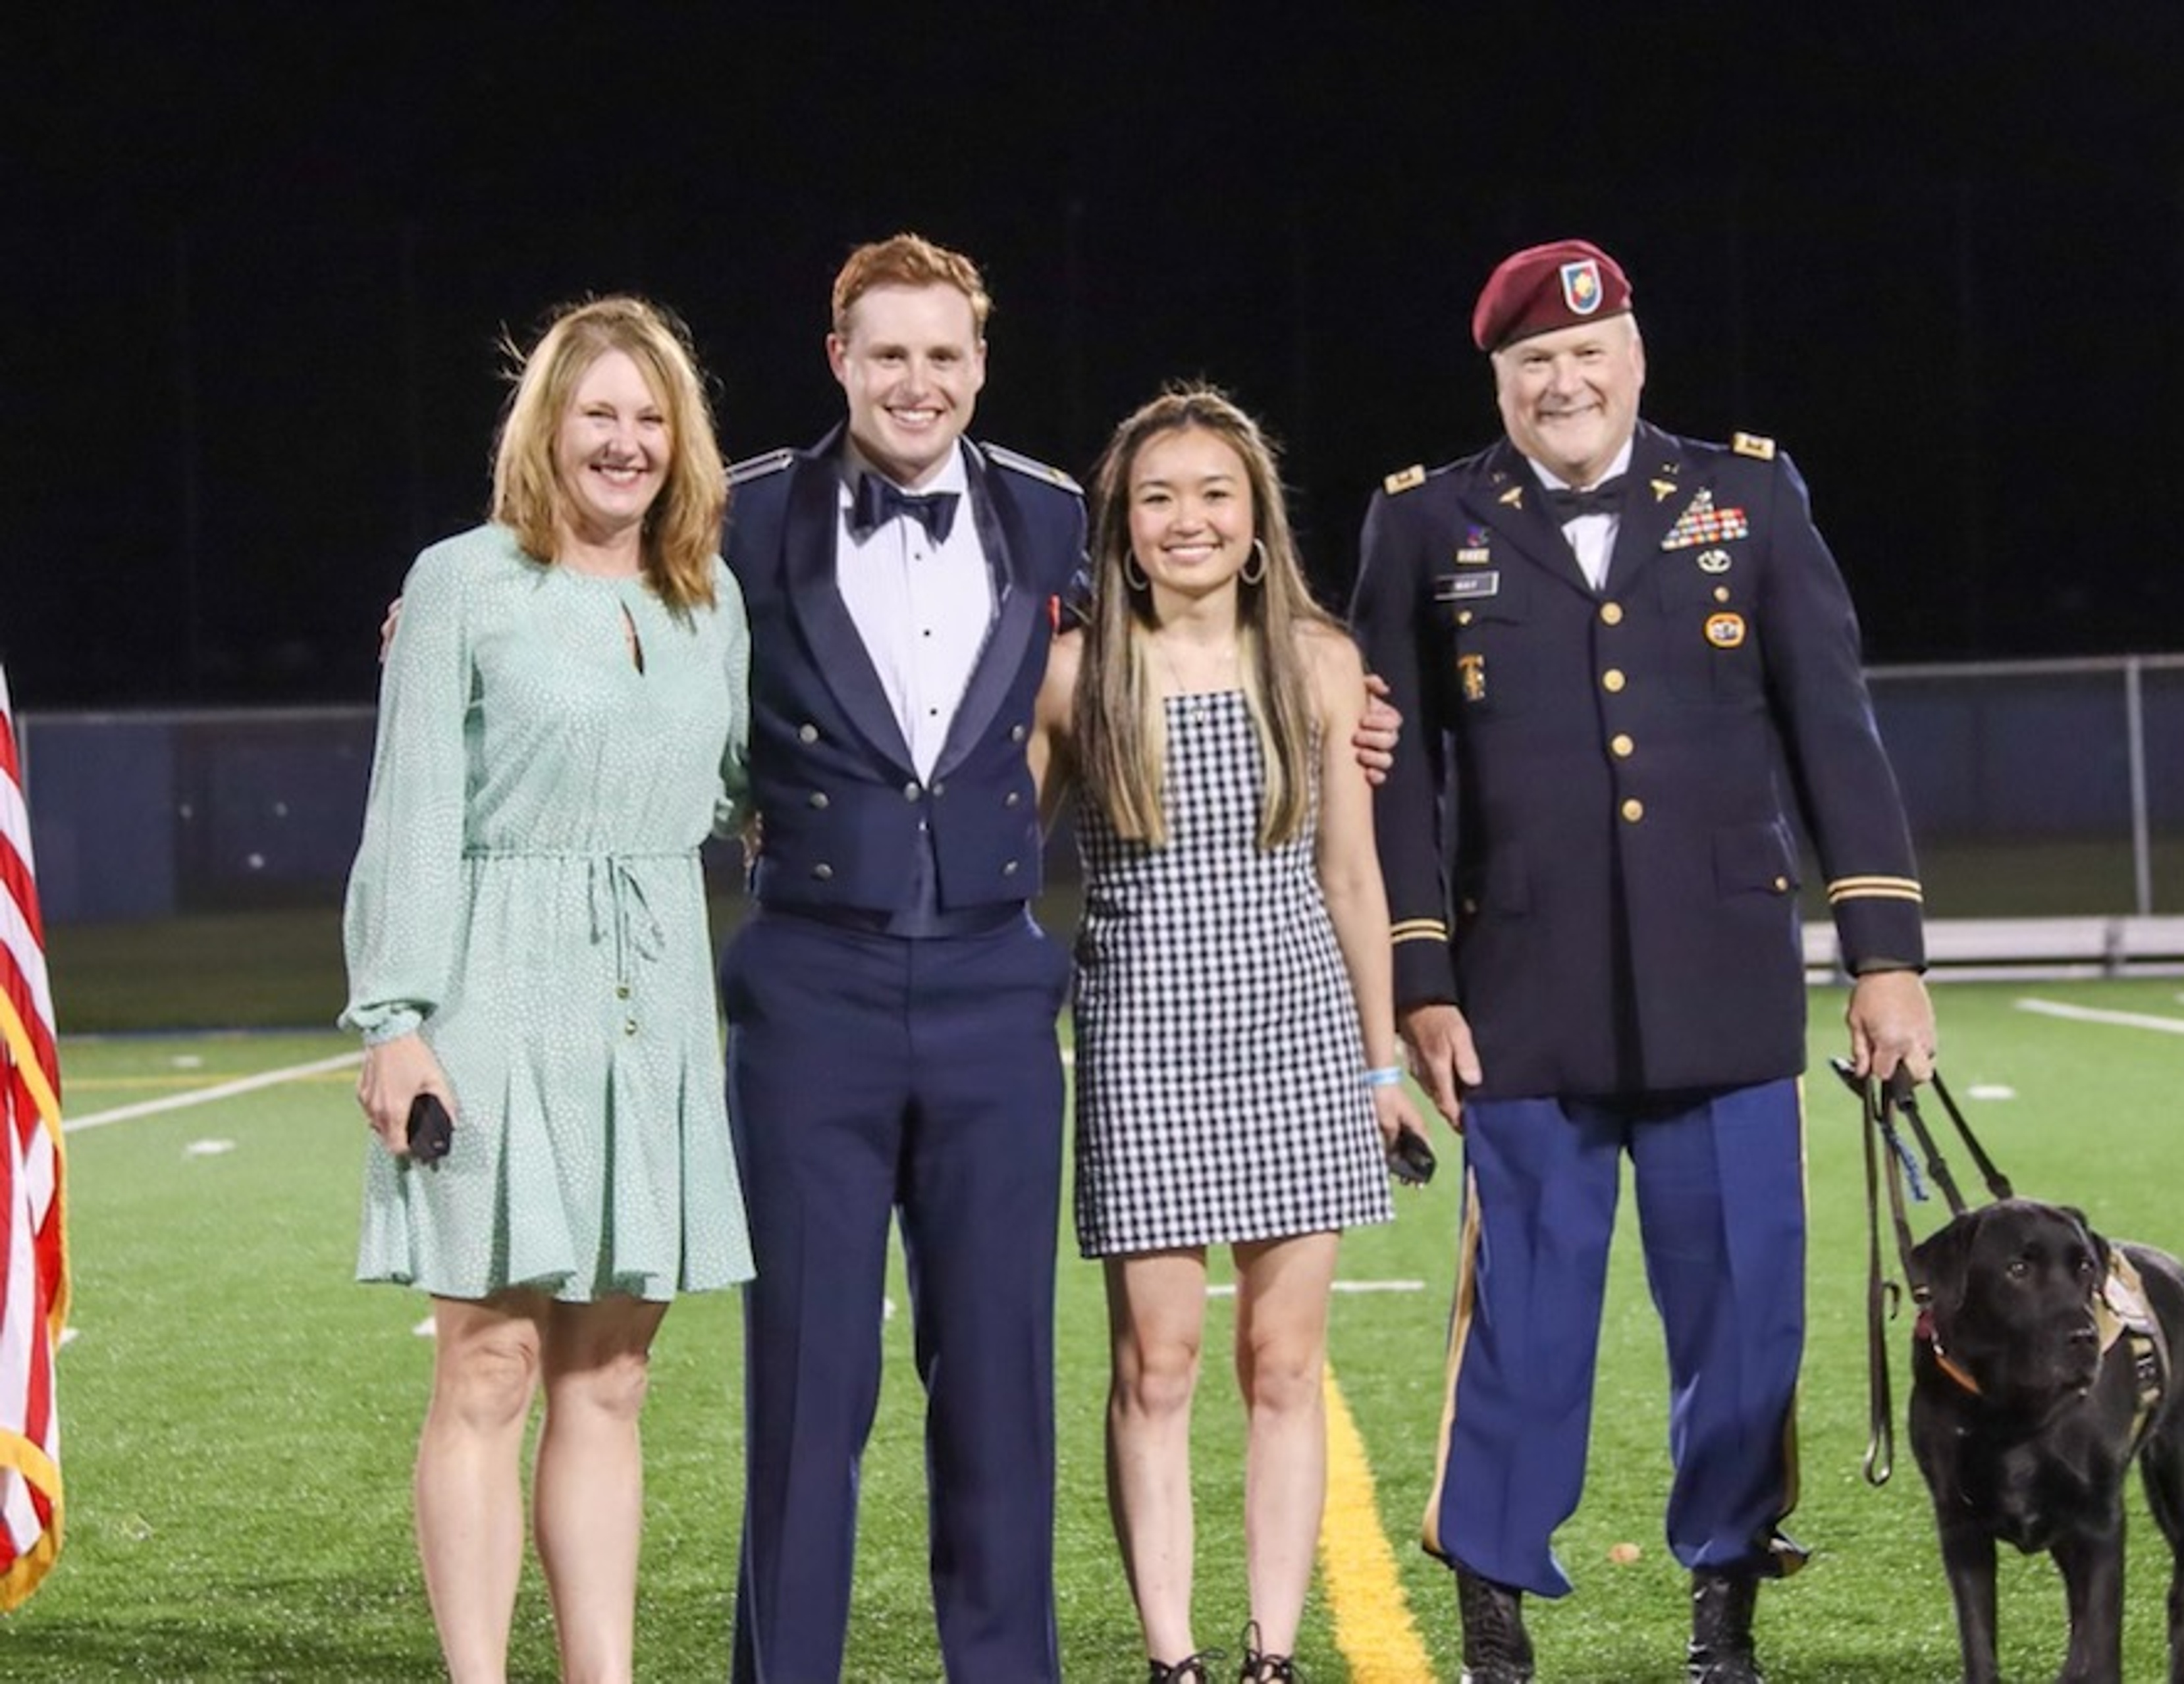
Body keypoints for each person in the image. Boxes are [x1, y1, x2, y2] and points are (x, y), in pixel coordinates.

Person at [1348, 239, 1938, 1684]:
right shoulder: (1424, 523)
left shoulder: (1747, 494)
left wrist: (1887, 955)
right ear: (1500, 379)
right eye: (1532, 361)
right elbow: (1387, 778)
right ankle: (1493, 1602)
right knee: (1525, 1329)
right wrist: (1422, 978)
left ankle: (1725, 1595)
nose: (1565, 379)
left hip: (1728, 981)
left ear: (1636, 358)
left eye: (1589, 353)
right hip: (1521, 998)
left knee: (1745, 1310)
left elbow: (1833, 734)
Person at [342, 294, 754, 1684]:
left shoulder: (712, 599)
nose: (626, 443)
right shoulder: (462, 582)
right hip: (496, 996)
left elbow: (759, 788)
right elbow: (411, 813)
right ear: (548, 430)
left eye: (651, 418)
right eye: (600, 415)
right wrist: (395, 1021)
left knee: (611, 1377)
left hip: (655, 1012)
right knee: (490, 1365)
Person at [714, 232, 1083, 1683]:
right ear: (839, 361)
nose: (917, 382)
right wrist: (431, 615)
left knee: (998, 1378)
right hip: (812, 988)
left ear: (979, 363)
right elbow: (591, 587)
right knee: (809, 1382)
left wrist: (1336, 690)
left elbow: (1201, 622)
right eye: (888, 353)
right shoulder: (741, 514)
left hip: (998, 986)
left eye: (944, 354)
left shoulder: (1056, 515)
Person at [1030, 386, 1431, 1684]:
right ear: (1123, 524)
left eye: (1214, 494)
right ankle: (1173, 1655)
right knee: (1159, 1360)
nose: (1187, 519)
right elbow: (991, 862)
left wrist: (1381, 1063)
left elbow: (1353, 878)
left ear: (1256, 519)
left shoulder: (1319, 661)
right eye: (1159, 497)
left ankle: (1269, 1651)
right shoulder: (1076, 672)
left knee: (1282, 1356)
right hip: (1144, 1031)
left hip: (1299, 1028)